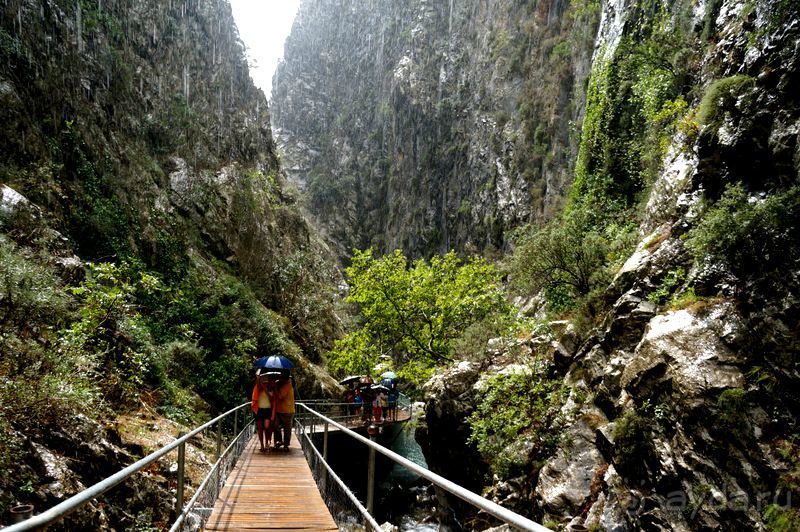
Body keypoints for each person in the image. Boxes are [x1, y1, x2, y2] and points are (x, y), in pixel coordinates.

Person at [251, 369, 275, 453]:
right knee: (260, 428)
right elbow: (257, 380)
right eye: (263, 379)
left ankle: (267, 443)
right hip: (259, 410)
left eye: (266, 379)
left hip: (268, 410)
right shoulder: (258, 387)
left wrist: (265, 388)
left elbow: (271, 397)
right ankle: (262, 445)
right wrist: (258, 373)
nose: (265, 380)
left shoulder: (271, 389)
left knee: (267, 427)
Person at [272, 370, 296, 451]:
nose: (280, 377)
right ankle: (278, 441)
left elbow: (280, 396)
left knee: (287, 428)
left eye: (281, 376)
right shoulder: (281, 383)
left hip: (287, 411)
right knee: (275, 425)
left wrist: (275, 387)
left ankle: (286, 444)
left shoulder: (288, 384)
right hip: (279, 409)